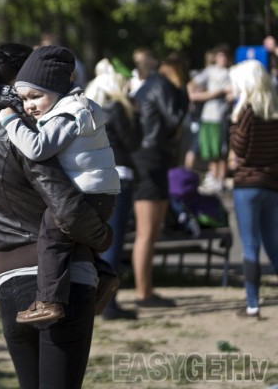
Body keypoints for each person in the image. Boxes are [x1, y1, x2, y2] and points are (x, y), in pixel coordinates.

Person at [0, 43, 113, 389]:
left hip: (8, 280)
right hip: (59, 280)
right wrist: (104, 238)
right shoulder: (27, 132)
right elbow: (68, 209)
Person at [0, 45, 120, 324]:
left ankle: (49, 301)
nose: (29, 105)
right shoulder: (77, 107)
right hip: (99, 192)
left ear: (58, 90)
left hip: (87, 193)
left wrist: (11, 120)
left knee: (52, 237)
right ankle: (103, 276)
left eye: (36, 96)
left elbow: (37, 149)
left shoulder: (67, 115)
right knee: (72, 240)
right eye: (24, 99)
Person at [85, 58, 142, 320]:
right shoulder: (119, 107)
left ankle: (92, 298)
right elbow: (133, 142)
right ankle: (109, 303)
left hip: (92, 177)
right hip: (119, 175)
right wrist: (136, 115)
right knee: (113, 241)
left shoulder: (88, 106)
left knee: (93, 242)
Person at [131, 53, 189, 308]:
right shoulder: (162, 86)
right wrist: (184, 94)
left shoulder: (149, 85)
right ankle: (143, 293)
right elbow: (174, 119)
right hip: (149, 159)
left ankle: (147, 290)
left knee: (151, 231)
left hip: (149, 157)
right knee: (147, 232)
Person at [229, 59, 278, 318]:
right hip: (272, 183)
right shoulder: (274, 111)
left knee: (250, 244)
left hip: (247, 183)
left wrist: (233, 123)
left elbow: (239, 148)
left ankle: (252, 303)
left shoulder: (247, 111)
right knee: (274, 243)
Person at [188, 45, 232, 193]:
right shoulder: (210, 71)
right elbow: (192, 84)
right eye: (220, 56)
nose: (222, 59)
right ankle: (213, 177)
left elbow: (224, 93)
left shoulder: (230, 73)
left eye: (225, 56)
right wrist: (193, 95)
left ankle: (220, 179)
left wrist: (200, 96)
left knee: (221, 150)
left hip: (221, 117)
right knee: (210, 150)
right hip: (207, 116)